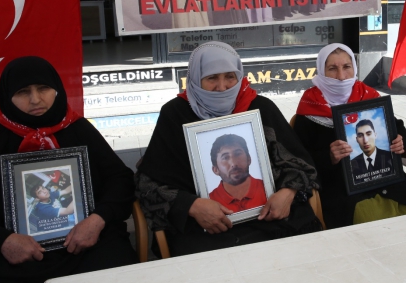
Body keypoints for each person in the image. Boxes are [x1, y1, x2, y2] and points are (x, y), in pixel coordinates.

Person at [0, 57, 137, 283]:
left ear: (56, 89)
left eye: (43, 88)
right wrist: (3, 240)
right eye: (23, 92)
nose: (35, 99)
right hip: (17, 259)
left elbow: (120, 180)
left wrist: (97, 220)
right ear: (7, 96)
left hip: (88, 246)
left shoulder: (78, 129)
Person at [135, 41, 321, 256]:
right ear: (195, 78)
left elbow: (300, 163)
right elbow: (148, 182)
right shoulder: (175, 114)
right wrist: (192, 206)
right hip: (206, 229)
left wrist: (288, 193)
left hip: (272, 219)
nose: (222, 87)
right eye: (212, 78)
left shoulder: (260, 108)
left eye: (230, 77)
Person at [294, 44, 406, 229]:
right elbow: (299, 160)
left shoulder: (368, 96)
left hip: (389, 182)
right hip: (343, 190)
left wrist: (400, 140)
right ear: (321, 71)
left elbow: (395, 127)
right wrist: (329, 157)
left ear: (354, 68)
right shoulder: (310, 108)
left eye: (347, 67)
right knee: (373, 225)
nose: (341, 76)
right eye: (332, 69)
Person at [208, 134, 268, 212]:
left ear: (249, 159)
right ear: (216, 169)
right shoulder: (209, 201)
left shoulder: (268, 188)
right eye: (225, 157)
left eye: (238, 154)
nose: (234, 163)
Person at [349, 119, 394, 183]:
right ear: (357, 140)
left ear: (375, 135)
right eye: (360, 136)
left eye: (369, 134)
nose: (365, 141)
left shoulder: (390, 157)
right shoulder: (352, 164)